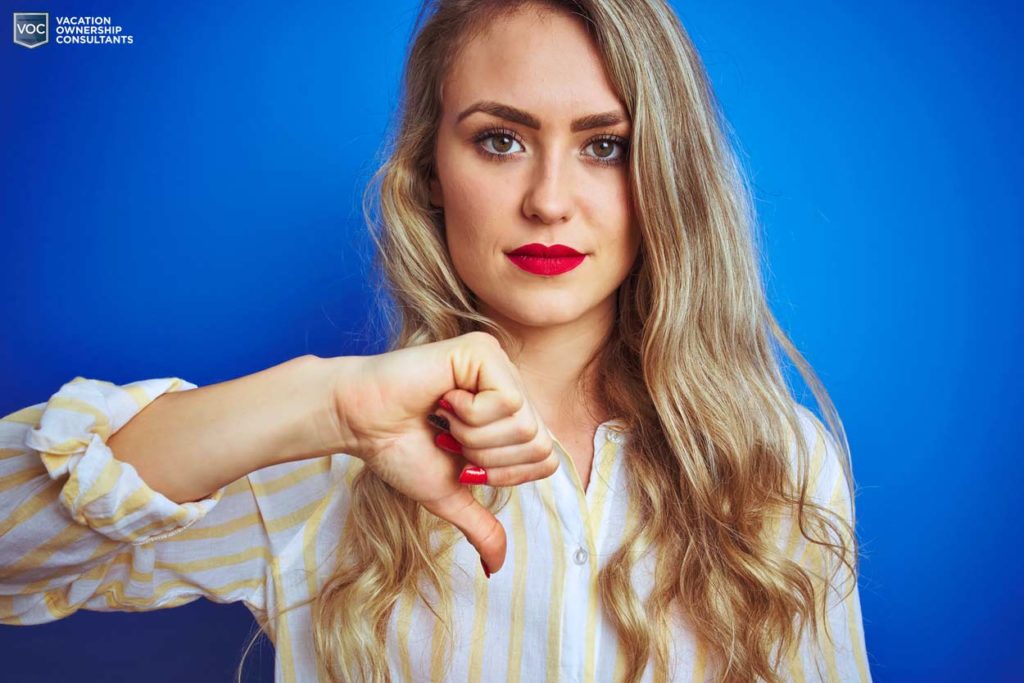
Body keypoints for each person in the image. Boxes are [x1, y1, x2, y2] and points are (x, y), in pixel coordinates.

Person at [0, 0, 872, 681]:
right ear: (429, 175)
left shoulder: (779, 465)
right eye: (500, 140)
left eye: (606, 146)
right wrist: (327, 402)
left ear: (665, 178)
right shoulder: (321, 458)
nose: (549, 199)